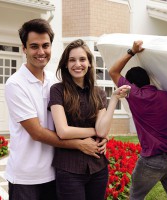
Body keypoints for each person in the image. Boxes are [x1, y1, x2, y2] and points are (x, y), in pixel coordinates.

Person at [4, 19, 107, 200]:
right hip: (27, 176)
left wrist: (102, 136)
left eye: (46, 45)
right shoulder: (15, 84)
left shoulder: (54, 82)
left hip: (54, 171)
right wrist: (79, 143)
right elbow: (36, 133)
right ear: (24, 49)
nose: (41, 52)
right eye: (34, 46)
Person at [48, 39, 130, 200]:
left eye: (82, 59)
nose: (77, 64)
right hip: (69, 168)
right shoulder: (57, 90)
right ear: (65, 64)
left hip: (98, 167)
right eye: (72, 60)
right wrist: (96, 131)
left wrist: (113, 99)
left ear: (90, 63)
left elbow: (104, 128)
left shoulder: (98, 93)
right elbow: (63, 131)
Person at [109, 40, 167, 200]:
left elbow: (113, 71)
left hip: (152, 160)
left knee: (135, 197)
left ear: (131, 85)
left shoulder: (135, 95)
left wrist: (132, 51)